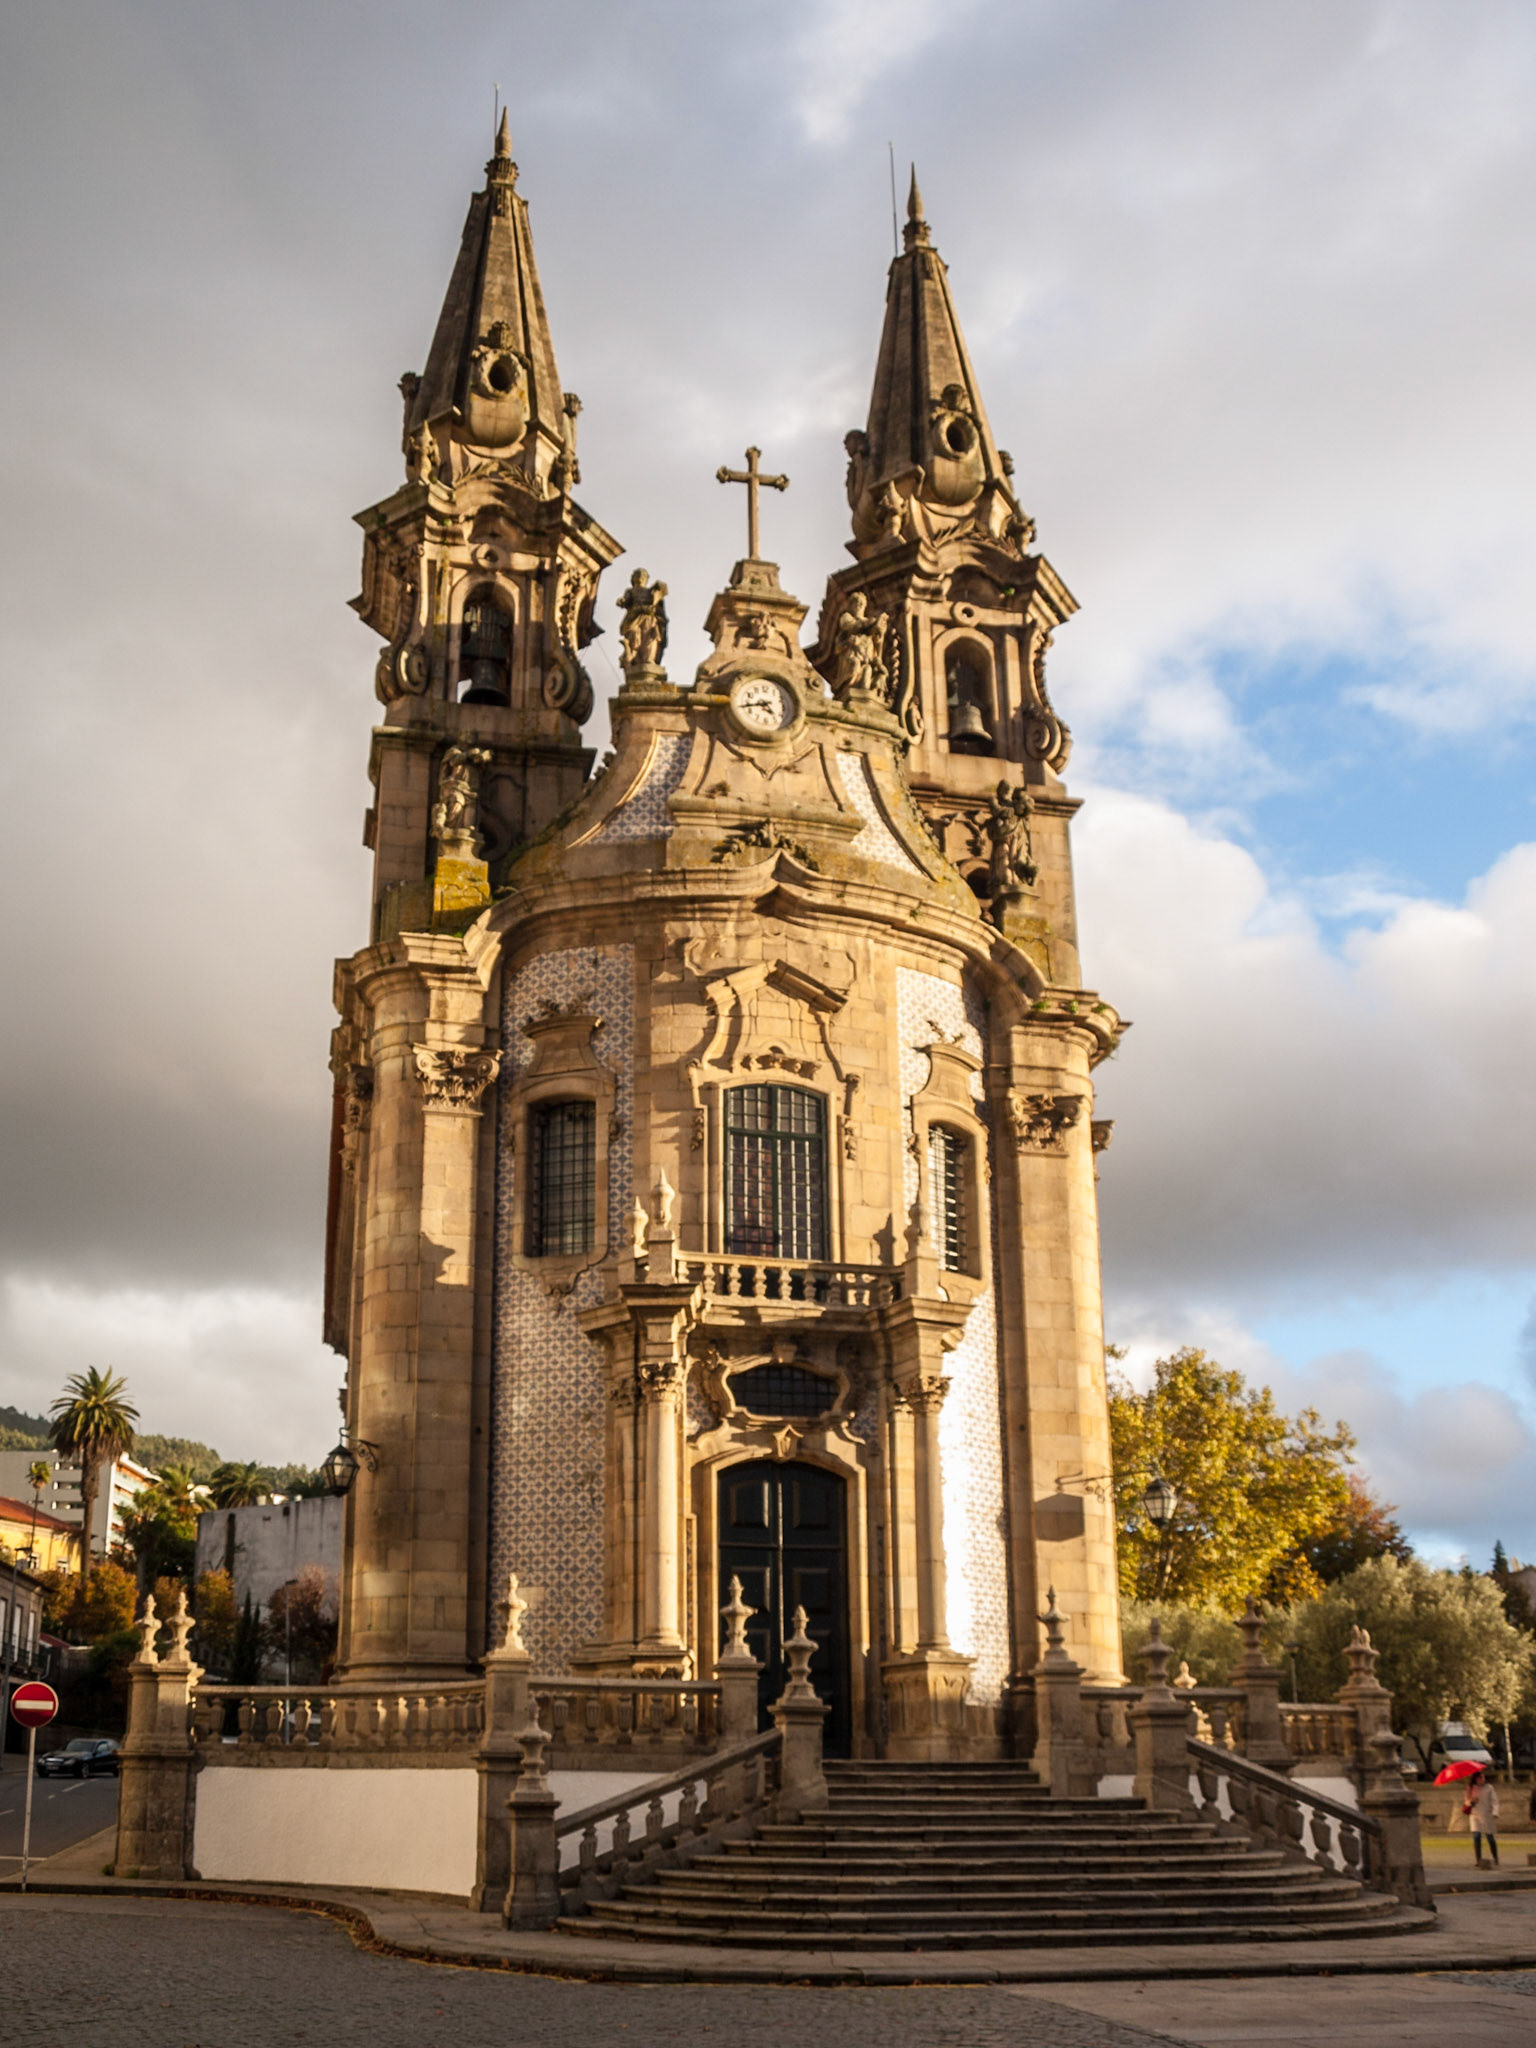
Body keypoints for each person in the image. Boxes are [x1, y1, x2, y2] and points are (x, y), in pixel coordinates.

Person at [1464, 1769, 1500, 1868]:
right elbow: (1466, 1802)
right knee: (1476, 1836)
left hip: (1487, 1814)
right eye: (1479, 1777)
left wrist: (1495, 1812)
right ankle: (1478, 1859)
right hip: (1475, 1814)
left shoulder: (1489, 1788)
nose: (1482, 1779)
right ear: (1475, 1779)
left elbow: (1494, 1801)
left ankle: (1495, 1857)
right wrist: (1471, 1801)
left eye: (1483, 1777)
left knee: (1490, 1837)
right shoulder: (1471, 1788)